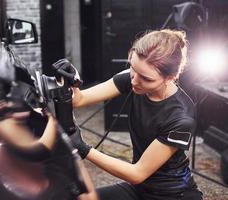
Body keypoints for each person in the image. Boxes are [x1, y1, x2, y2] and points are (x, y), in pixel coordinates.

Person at [69, 29, 203, 200]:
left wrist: (83, 149)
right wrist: (70, 83)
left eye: (146, 78)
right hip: (140, 188)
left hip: (172, 194)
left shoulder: (181, 117)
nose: (134, 80)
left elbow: (137, 173)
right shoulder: (135, 77)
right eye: (132, 67)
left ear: (170, 77)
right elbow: (79, 100)